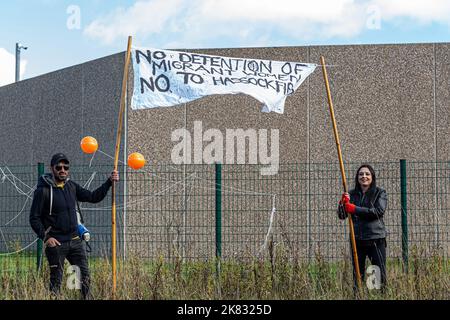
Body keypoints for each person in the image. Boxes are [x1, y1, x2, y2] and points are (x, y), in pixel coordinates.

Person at [29, 153, 119, 299]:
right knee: (56, 281)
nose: (62, 170)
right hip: (56, 244)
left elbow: (93, 197)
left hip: (75, 241)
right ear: (52, 168)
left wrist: (109, 181)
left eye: (66, 167)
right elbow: (34, 218)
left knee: (84, 279)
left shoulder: (71, 186)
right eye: (59, 167)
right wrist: (46, 237)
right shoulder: (43, 191)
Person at [337, 164, 388, 293]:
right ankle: (358, 295)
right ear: (357, 177)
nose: (364, 176)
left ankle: (378, 295)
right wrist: (342, 204)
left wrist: (354, 209)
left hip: (375, 239)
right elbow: (342, 215)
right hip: (357, 240)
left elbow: (378, 212)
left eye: (367, 174)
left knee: (377, 273)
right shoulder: (351, 194)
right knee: (357, 274)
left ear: (372, 177)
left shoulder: (380, 193)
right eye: (361, 174)